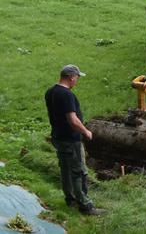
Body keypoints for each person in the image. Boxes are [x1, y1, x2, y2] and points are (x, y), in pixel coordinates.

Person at [44, 65, 102, 215]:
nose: (77, 81)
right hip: (71, 139)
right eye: (77, 77)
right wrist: (86, 131)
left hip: (58, 137)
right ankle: (85, 206)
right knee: (79, 172)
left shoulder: (50, 92)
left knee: (65, 170)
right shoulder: (67, 95)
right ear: (71, 77)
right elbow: (72, 119)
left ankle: (70, 200)